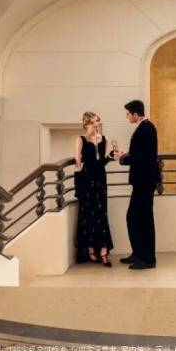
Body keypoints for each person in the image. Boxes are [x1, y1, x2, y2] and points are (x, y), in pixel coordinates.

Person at [113, 100, 161, 270]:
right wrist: (126, 155)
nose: (127, 117)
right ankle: (138, 253)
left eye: (128, 114)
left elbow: (140, 158)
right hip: (143, 180)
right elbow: (140, 153)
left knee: (143, 218)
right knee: (134, 217)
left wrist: (122, 158)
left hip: (145, 181)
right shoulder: (145, 128)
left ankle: (148, 259)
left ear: (135, 114)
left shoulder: (146, 129)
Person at [74, 111, 114, 267]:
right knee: (88, 213)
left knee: (102, 212)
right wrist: (78, 187)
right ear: (86, 124)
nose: (96, 125)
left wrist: (110, 157)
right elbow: (78, 164)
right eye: (92, 122)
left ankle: (104, 251)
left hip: (100, 179)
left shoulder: (103, 139)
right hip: (87, 179)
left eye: (97, 121)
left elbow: (102, 162)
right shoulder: (81, 139)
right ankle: (91, 249)